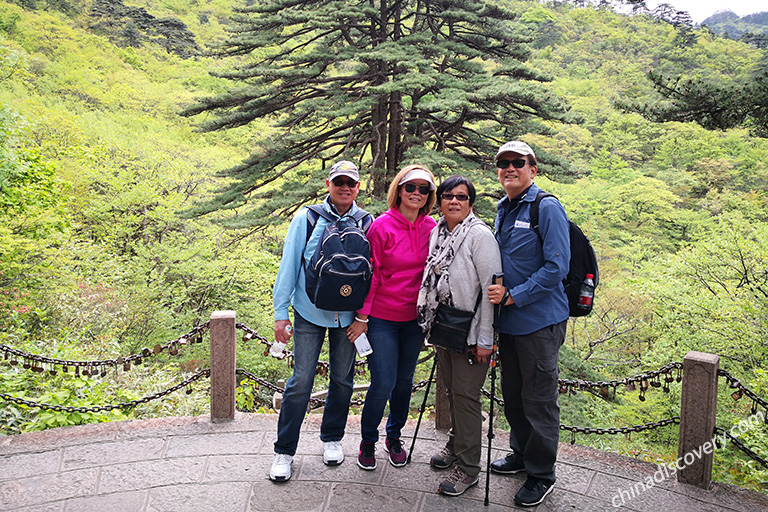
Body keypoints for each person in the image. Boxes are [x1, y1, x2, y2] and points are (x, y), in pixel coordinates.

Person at [269, 160, 369, 482]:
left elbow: (375, 274)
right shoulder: (308, 218)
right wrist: (279, 313)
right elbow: (289, 265)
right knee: (301, 382)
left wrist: (365, 317)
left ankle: (332, 438)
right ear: (328, 184)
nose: (344, 188)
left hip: (350, 318)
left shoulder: (367, 221)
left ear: (358, 187)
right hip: (309, 312)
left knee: (342, 379)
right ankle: (284, 451)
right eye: (339, 182)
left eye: (350, 183)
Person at [487, 141, 570, 506]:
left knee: (538, 400)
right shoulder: (502, 209)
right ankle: (521, 454)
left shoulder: (546, 207)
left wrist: (514, 295)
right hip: (509, 323)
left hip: (539, 321)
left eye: (517, 163)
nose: (509, 168)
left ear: (532, 169)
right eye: (503, 163)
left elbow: (557, 268)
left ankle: (541, 475)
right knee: (514, 397)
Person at [346, 164, 437, 471]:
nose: (416, 193)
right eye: (410, 187)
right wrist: (362, 317)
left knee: (404, 383)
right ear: (399, 189)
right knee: (383, 382)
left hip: (414, 320)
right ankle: (367, 441)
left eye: (423, 189)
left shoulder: (432, 227)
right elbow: (370, 275)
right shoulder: (382, 226)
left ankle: (393, 436)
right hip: (382, 318)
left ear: (429, 195)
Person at [416, 175, 502, 496]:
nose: (454, 201)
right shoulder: (438, 232)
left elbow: (491, 291)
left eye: (462, 197)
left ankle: (468, 467)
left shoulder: (480, 237)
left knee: (466, 398)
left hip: (472, 332)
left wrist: (485, 340)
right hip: (446, 326)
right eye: (448, 196)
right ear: (440, 201)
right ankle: (455, 444)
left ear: (471, 203)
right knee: (452, 390)